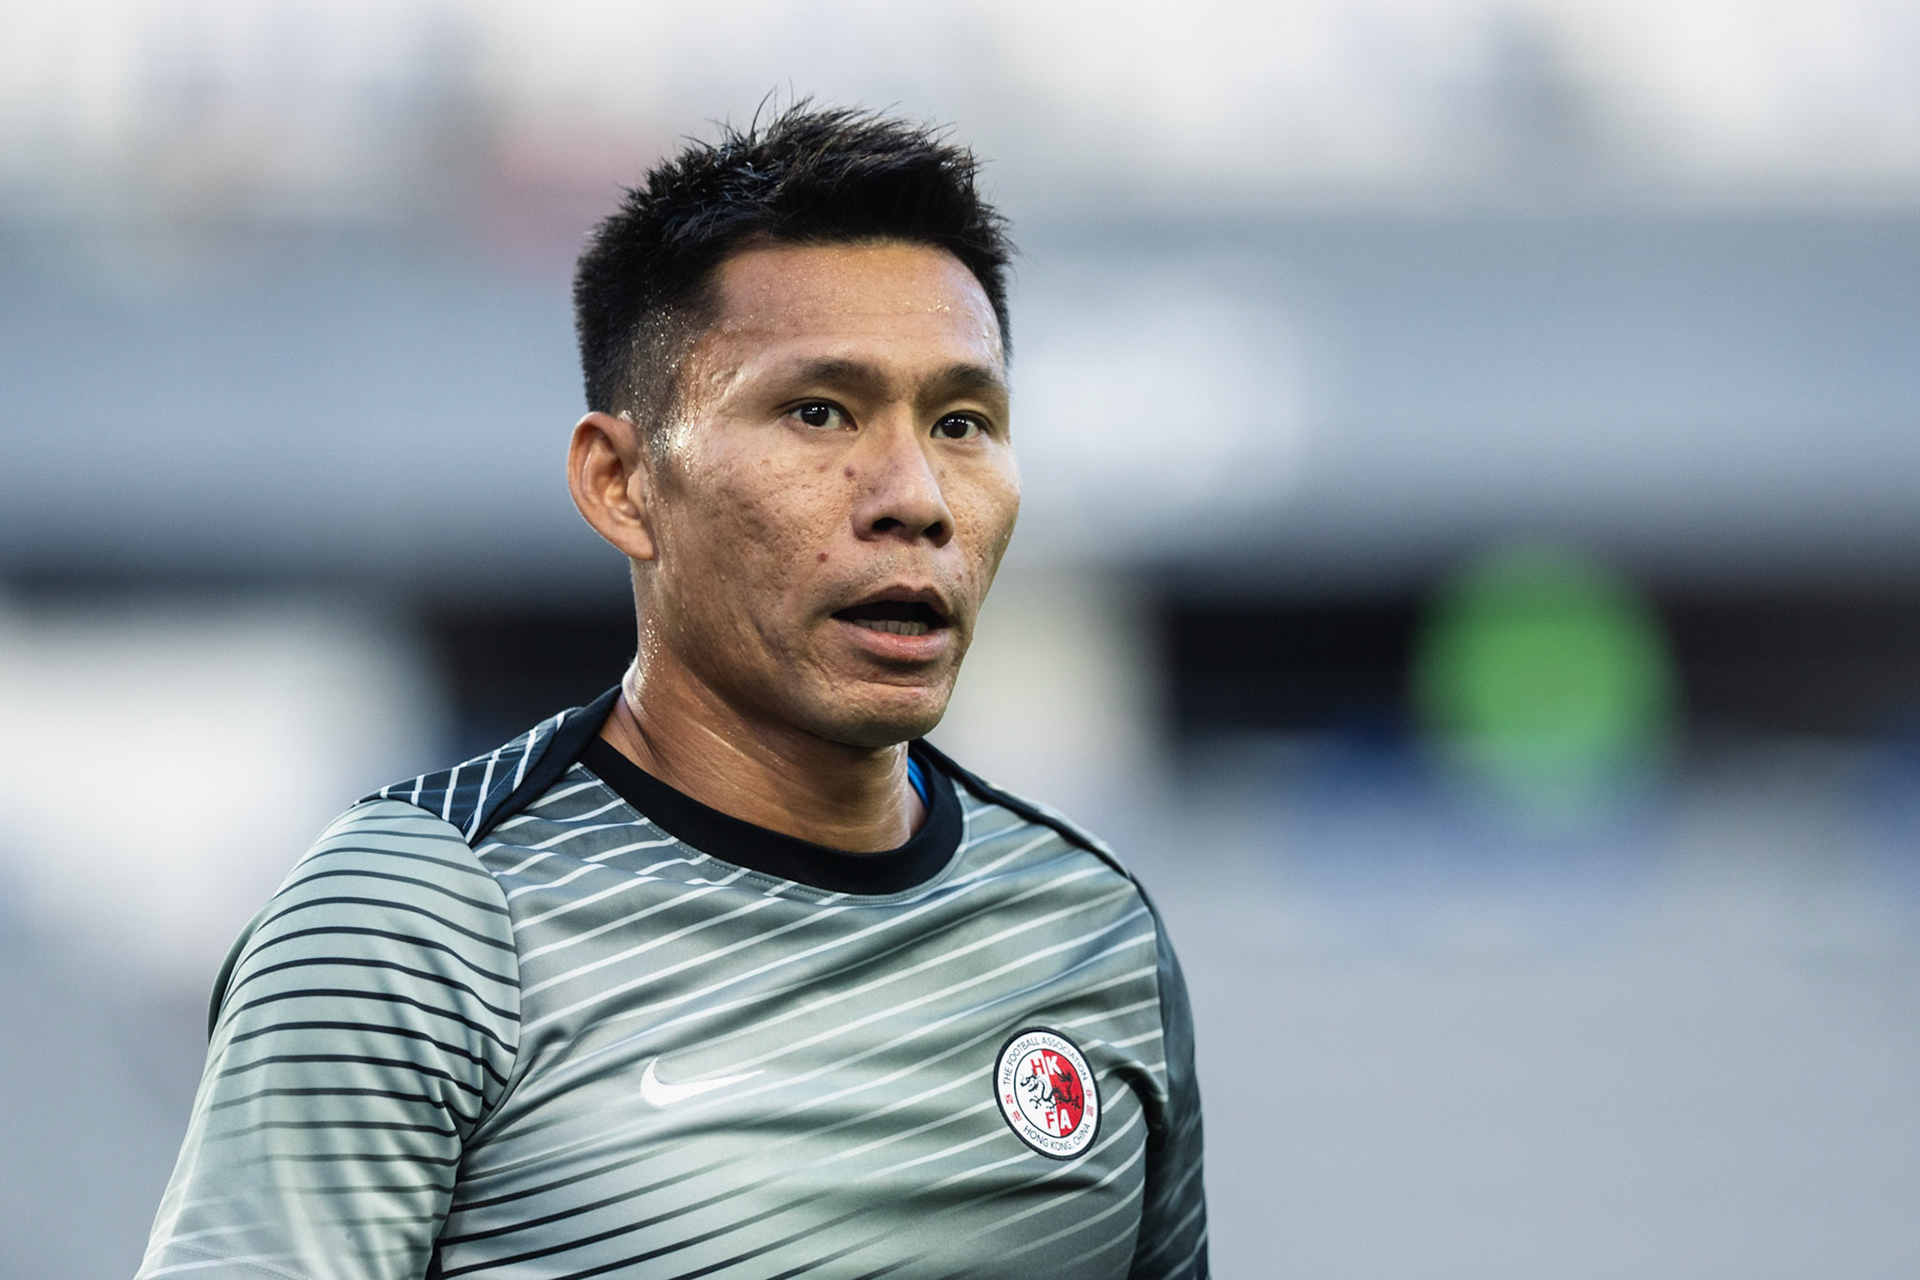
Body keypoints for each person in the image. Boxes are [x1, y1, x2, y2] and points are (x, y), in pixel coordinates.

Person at [138, 103, 1207, 1280]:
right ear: (622, 483)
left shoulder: (1087, 930)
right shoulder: (420, 918)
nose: (915, 494)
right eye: (818, 412)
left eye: (963, 421)